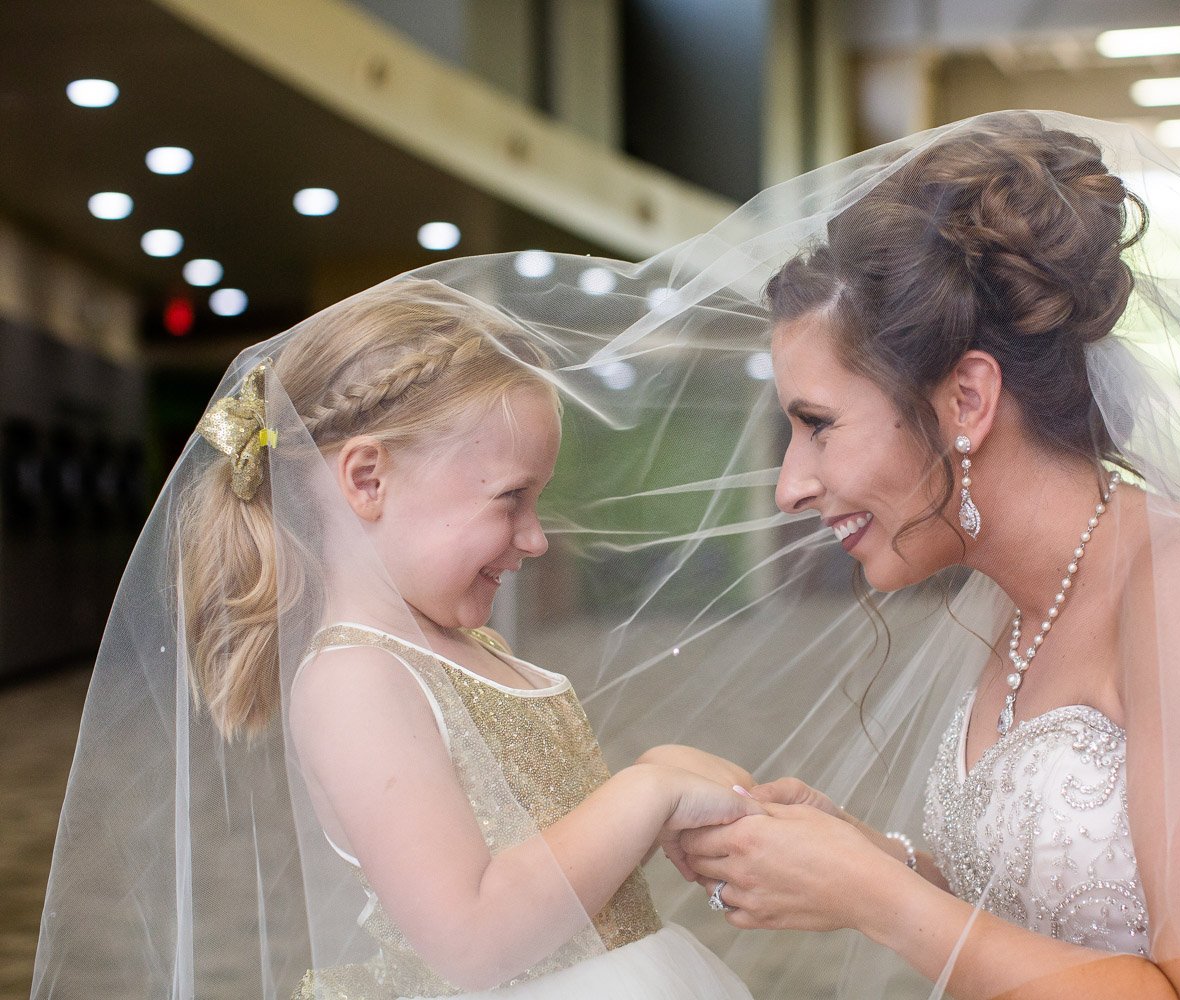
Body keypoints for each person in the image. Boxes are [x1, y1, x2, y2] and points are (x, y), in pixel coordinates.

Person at [637, 113, 1180, 1000]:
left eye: (817, 424)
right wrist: (874, 857)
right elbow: (1064, 924)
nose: (789, 486)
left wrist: (874, 894)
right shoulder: (1024, 605)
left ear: (967, 398)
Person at [29, 278, 759, 999]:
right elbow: (472, 938)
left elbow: (532, 831)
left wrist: (665, 772)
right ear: (368, 478)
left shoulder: (464, 648)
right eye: (512, 498)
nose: (535, 539)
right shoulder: (355, 679)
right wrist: (645, 794)